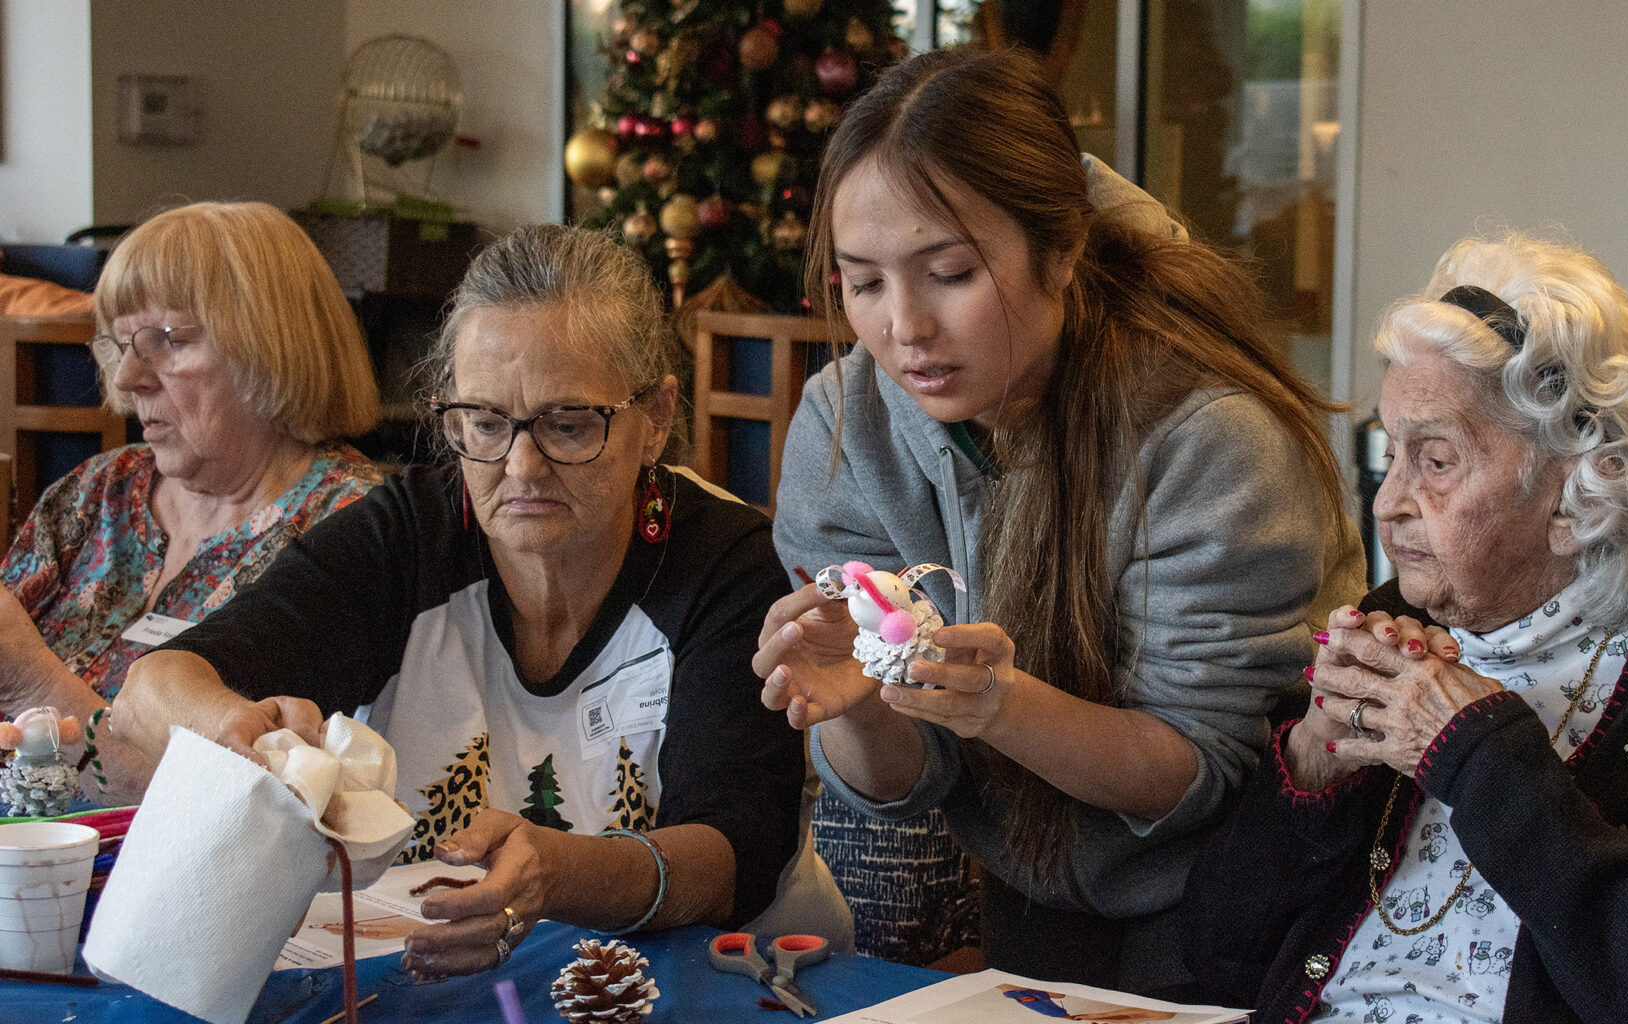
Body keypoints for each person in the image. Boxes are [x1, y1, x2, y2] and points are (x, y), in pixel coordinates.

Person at [756, 47, 1365, 990]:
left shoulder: (1209, 438)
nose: (905, 328)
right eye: (864, 283)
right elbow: (903, 781)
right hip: (1032, 882)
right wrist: (856, 707)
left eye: (949, 272)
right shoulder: (847, 426)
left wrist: (1004, 705)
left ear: (1063, 250)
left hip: (1247, 893)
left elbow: (1198, 770)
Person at [112, 225, 815, 979]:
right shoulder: (410, 534)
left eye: (568, 423)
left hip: (725, 981)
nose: (520, 466)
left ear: (656, 419)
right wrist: (235, 730)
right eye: (483, 423)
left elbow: (732, 855)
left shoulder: (727, 565)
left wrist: (560, 874)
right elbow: (153, 688)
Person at [1181, 234, 1628, 1022]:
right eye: (1387, 453)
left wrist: (1480, 758)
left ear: (1576, 492)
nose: (1389, 501)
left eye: (1435, 462)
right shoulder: (1394, 626)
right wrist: (1312, 767)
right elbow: (1218, 953)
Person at [1, 201, 383, 801]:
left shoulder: (354, 528)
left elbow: (246, 799)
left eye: (165, 340)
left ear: (271, 345)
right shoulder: (101, 489)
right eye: (120, 343)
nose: (127, 377)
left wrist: (31, 680)